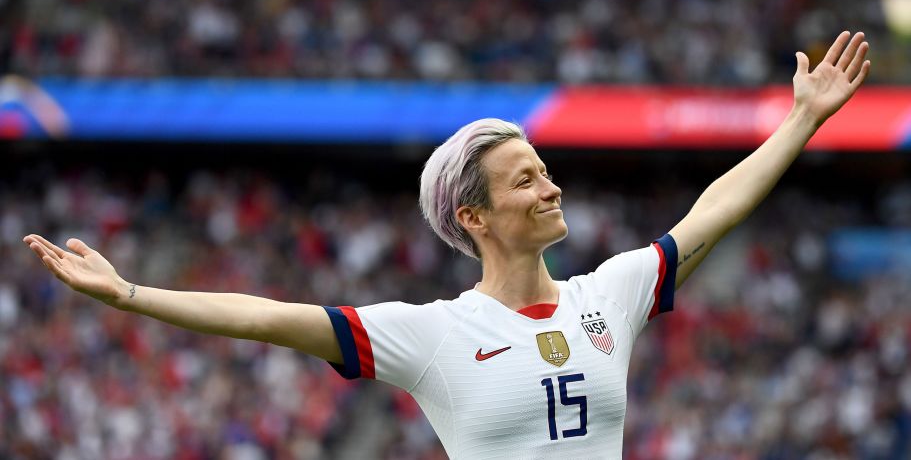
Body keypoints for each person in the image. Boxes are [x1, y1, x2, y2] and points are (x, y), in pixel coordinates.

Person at [24, 31, 870, 458]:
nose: (552, 188)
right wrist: (132, 295)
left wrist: (799, 120)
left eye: (546, 171)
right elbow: (263, 317)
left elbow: (714, 208)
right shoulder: (427, 336)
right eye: (527, 181)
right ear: (475, 216)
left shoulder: (605, 294)